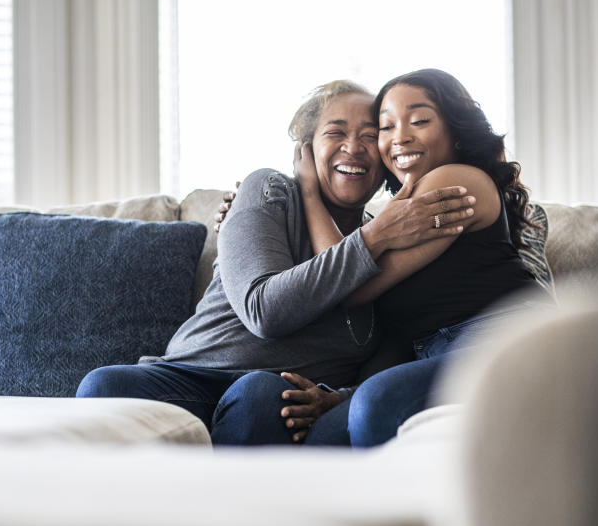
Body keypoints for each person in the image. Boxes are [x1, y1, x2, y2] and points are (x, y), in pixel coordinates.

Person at [75, 80, 476, 443]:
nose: (353, 146)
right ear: (305, 149)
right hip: (190, 375)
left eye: (370, 136)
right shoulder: (269, 191)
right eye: (336, 132)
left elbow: (396, 344)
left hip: (275, 394)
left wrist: (341, 398)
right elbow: (264, 310)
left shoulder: (397, 233)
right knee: (102, 386)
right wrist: (373, 237)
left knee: (259, 395)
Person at [221, 69, 549, 447]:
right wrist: (342, 395)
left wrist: (309, 191)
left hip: (503, 341)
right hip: (438, 355)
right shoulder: (398, 217)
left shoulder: (456, 181)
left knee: (377, 404)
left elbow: (351, 283)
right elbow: (394, 332)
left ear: (456, 130)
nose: (400, 137)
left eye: (420, 121)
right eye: (387, 127)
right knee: (321, 439)